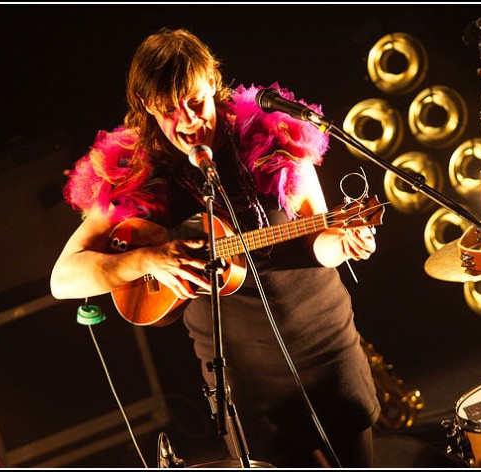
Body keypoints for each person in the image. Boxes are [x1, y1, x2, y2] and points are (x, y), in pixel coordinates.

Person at [51, 27, 380, 468]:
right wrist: (148, 258)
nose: (187, 121)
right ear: (148, 105)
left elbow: (316, 243)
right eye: (169, 110)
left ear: (213, 84)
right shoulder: (138, 171)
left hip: (323, 345)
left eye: (197, 102)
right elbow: (62, 278)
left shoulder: (272, 136)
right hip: (242, 373)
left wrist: (345, 243)